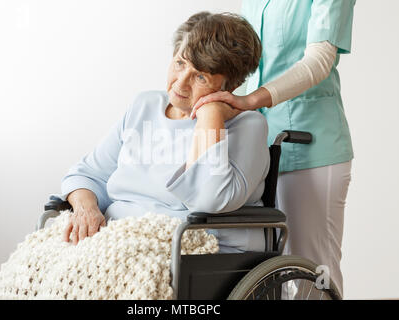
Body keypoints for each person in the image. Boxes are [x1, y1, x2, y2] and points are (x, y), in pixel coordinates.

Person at [56, 12, 270, 254]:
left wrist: (211, 115)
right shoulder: (143, 105)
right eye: (180, 63)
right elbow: (88, 174)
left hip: (193, 249)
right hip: (118, 239)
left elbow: (211, 199)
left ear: (229, 87)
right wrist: (86, 210)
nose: (180, 84)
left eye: (200, 77)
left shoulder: (249, 126)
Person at [190, 0, 356, 298]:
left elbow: (319, 60)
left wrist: (251, 100)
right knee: (270, 267)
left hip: (311, 144)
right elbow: (244, 63)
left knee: (315, 269)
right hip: (260, 148)